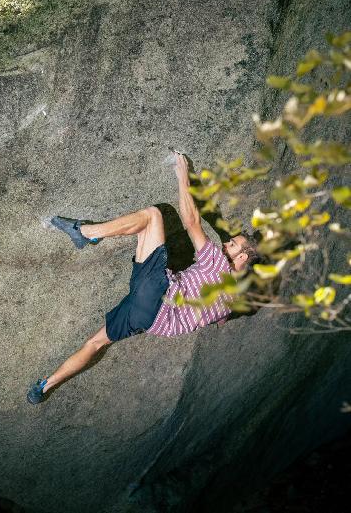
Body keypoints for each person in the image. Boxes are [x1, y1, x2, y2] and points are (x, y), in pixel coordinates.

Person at [27, 152, 260, 404]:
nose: (226, 243)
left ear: (242, 259)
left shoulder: (219, 266)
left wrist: (183, 174)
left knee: (152, 216)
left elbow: (192, 221)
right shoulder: (231, 301)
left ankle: (84, 232)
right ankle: (44, 387)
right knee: (95, 343)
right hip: (149, 322)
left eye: (234, 244)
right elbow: (222, 320)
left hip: (155, 295)